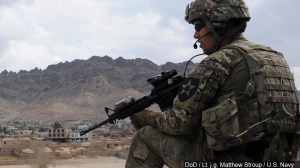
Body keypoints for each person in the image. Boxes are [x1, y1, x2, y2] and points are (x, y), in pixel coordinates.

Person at [125, 0, 299, 167]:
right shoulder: (276, 58)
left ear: (218, 24)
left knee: (144, 137)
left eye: (198, 26)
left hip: (231, 161)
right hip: (279, 161)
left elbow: (178, 122)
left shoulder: (218, 61)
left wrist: (145, 116)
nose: (195, 35)